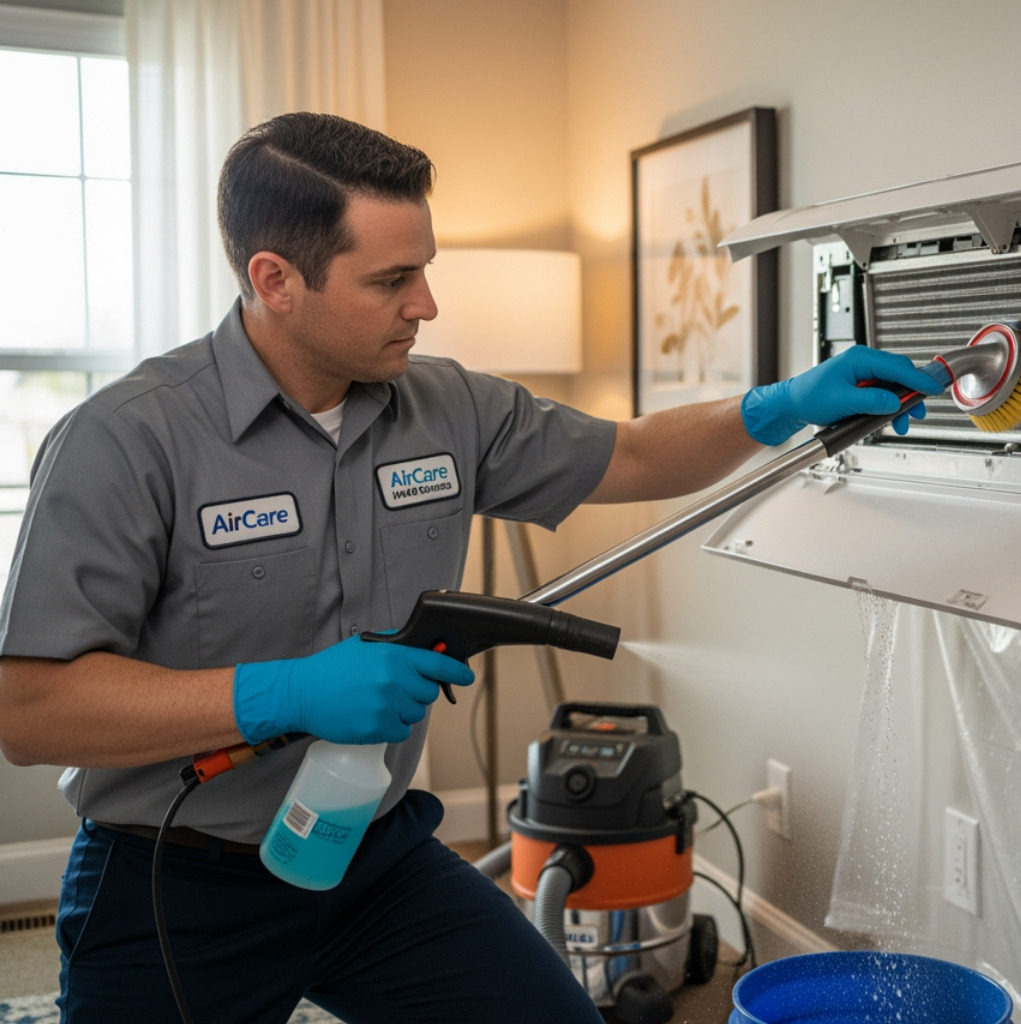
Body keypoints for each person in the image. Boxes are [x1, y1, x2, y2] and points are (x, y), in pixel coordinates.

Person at [0, 112, 939, 1023]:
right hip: (176, 877)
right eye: (391, 280)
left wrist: (779, 405)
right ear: (275, 279)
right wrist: (284, 693)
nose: (426, 304)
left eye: (425, 270)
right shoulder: (125, 440)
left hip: (374, 860)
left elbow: (635, 455)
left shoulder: (449, 408)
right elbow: (30, 709)